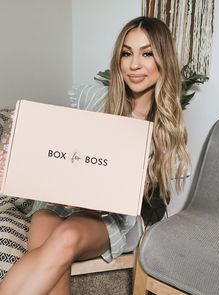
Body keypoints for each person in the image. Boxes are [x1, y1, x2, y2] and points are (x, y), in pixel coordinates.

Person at [0, 16, 190, 294]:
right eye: (127, 53)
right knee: (45, 233)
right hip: (62, 203)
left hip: (110, 218)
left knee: (66, 236)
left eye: (146, 53)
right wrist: (16, 160)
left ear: (164, 60)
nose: (134, 64)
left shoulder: (166, 129)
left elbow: (129, 198)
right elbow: (61, 150)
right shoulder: (95, 98)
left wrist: (92, 193)